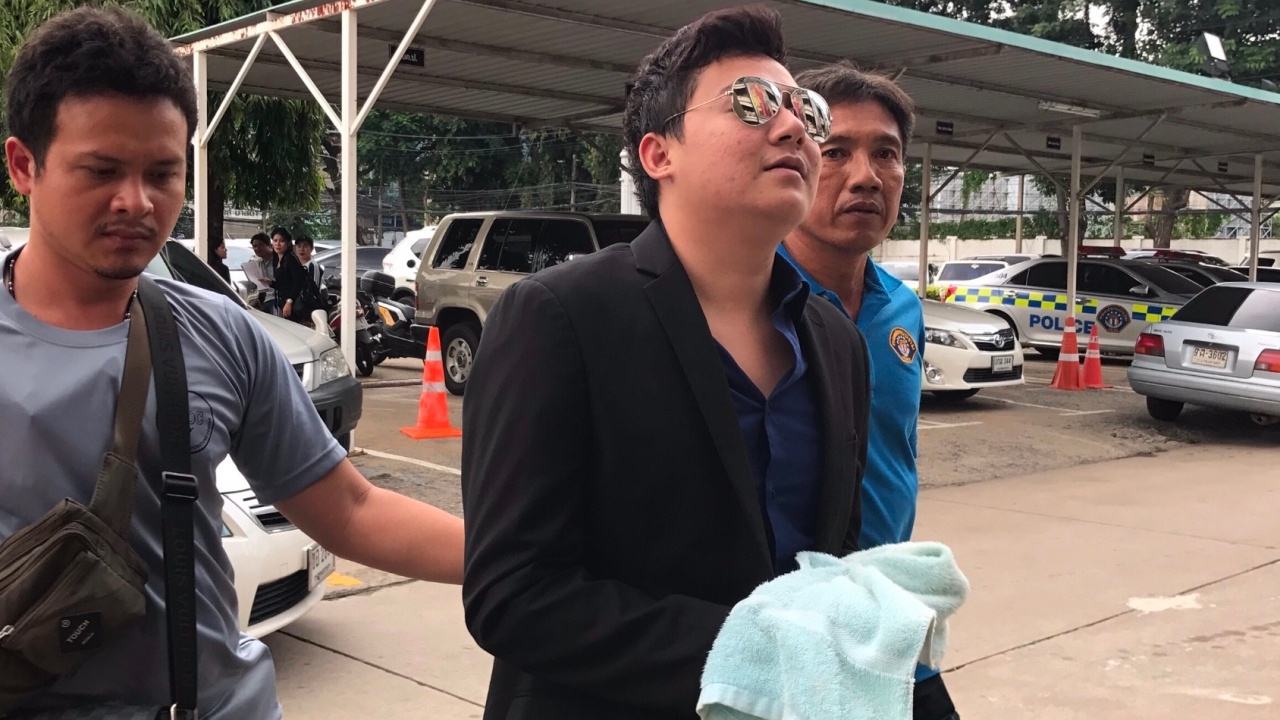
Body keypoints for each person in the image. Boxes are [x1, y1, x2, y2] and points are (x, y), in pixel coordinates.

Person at [0, 7, 463, 717]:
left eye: (163, 172)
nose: (136, 201)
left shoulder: (221, 334)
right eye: (101, 170)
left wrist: (522, 554)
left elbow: (349, 510)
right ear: (23, 166)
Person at [460, 6, 870, 719]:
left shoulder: (837, 343)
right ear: (658, 155)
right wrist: (752, 654)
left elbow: (834, 556)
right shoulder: (559, 317)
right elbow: (512, 592)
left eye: (805, 109)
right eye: (752, 102)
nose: (794, 129)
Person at [779, 61, 959, 720]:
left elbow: (895, 450)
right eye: (836, 152)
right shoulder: (752, 299)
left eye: (886, 153)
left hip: (889, 614)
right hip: (791, 629)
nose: (866, 177)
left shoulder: (901, 309)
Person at [269, 226, 307, 323]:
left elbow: (299, 281)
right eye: (275, 240)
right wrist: (271, 283)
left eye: (281, 241)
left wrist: (289, 301)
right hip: (283, 301)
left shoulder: (290, 258)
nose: (278, 244)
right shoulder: (276, 258)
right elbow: (285, 283)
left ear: (288, 243)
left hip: (293, 303)